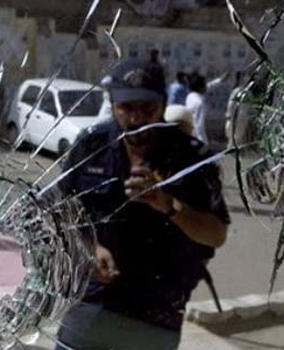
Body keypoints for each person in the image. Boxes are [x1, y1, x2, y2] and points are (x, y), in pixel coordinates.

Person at [55, 58, 229, 350]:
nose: (137, 119)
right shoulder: (90, 148)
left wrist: (169, 205)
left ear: (162, 106)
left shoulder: (192, 159)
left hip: (156, 312)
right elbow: (58, 213)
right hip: (93, 299)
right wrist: (89, 247)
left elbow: (216, 234)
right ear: (112, 106)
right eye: (127, 108)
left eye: (147, 109)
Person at [185, 72, 209, 145]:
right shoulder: (199, 103)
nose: (206, 87)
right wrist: (204, 145)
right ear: (200, 87)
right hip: (197, 140)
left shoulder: (190, 97)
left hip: (190, 136)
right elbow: (199, 126)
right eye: (205, 84)